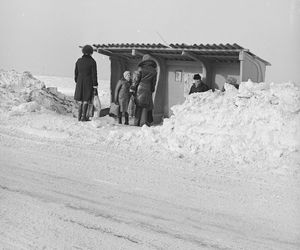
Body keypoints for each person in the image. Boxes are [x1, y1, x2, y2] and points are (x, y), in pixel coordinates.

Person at [74, 45, 98, 121]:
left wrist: (77, 81)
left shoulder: (79, 61)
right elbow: (94, 74)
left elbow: (76, 73)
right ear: (91, 52)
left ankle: (79, 116)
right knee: (86, 100)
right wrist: (95, 85)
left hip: (79, 82)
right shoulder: (92, 62)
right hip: (88, 82)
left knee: (80, 100)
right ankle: (84, 117)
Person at [133, 55, 157, 127]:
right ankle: (145, 123)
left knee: (138, 106)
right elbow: (154, 82)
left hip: (140, 88)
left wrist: (133, 87)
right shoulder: (154, 70)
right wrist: (152, 89)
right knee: (147, 106)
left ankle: (136, 123)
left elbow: (136, 80)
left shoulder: (140, 69)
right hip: (148, 89)